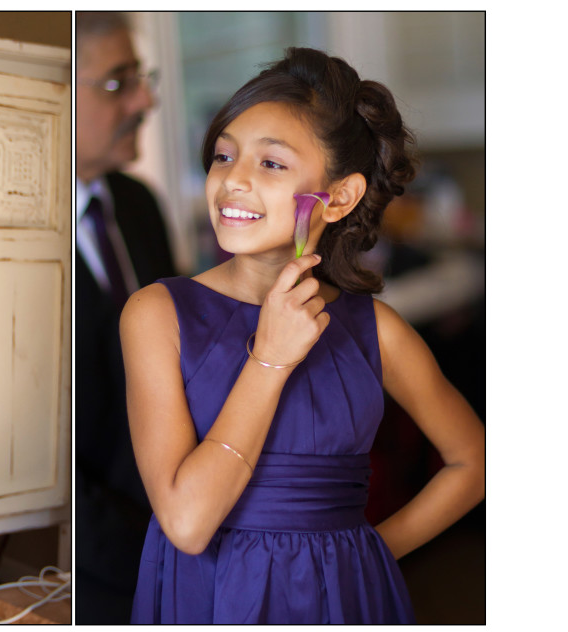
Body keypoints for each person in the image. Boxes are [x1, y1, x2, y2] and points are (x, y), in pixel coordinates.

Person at [121, 47, 485, 624]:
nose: (232, 181)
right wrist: (269, 360)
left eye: (271, 165)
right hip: (205, 596)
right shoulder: (156, 314)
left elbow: (474, 460)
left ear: (339, 197)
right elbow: (187, 526)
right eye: (223, 155)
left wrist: (369, 557)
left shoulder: (378, 331)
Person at [71, 11, 177, 625]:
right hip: (97, 568)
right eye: (118, 82)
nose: (146, 98)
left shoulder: (140, 206)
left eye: (142, 76)